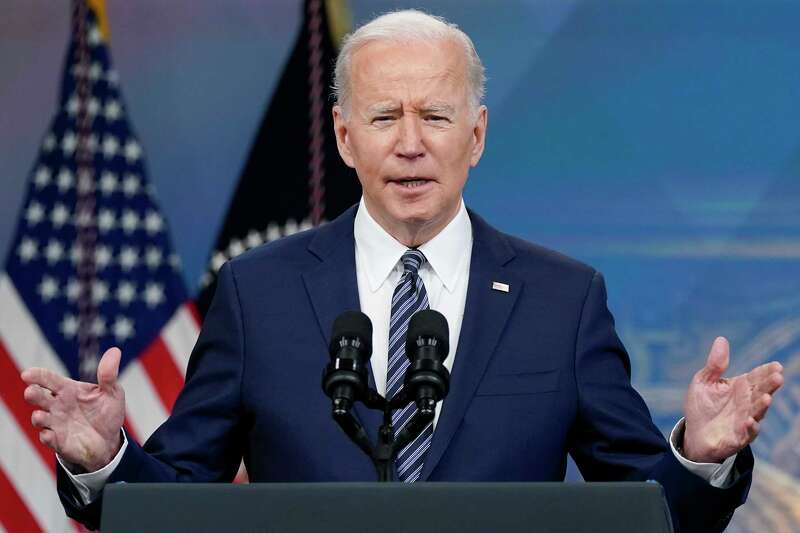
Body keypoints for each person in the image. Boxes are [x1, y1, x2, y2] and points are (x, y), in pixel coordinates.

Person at [21, 9, 783, 532]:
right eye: (385, 117)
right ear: (346, 138)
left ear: (477, 135)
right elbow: (178, 507)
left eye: (436, 116)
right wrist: (106, 461)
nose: (410, 144)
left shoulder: (562, 298)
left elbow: (650, 513)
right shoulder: (258, 292)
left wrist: (700, 453)